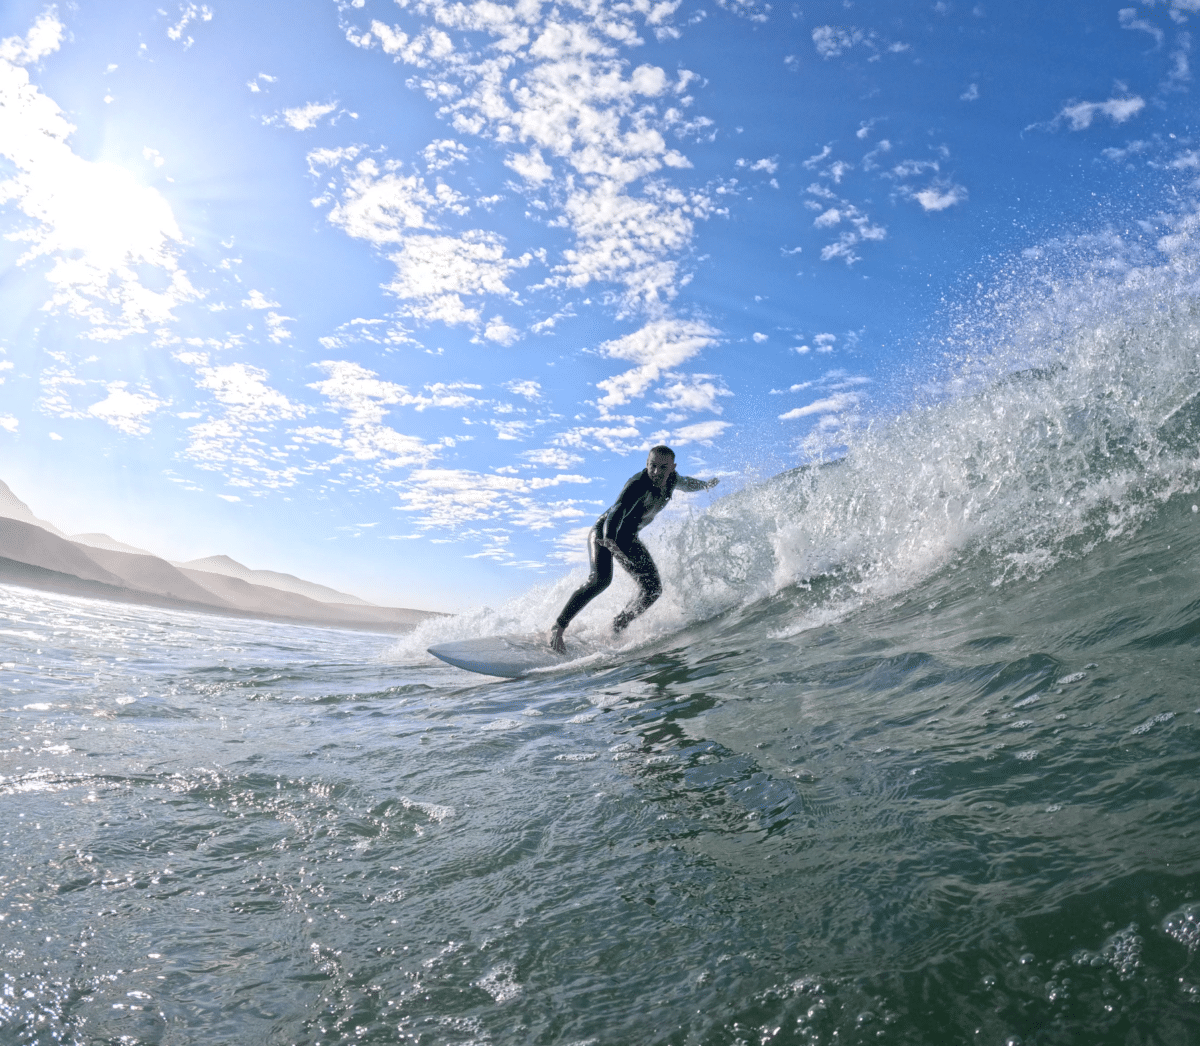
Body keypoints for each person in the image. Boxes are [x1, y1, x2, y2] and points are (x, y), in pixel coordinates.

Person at [549, 445, 718, 652]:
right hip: (605, 532)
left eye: (662, 468)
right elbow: (617, 510)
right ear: (646, 464)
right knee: (601, 580)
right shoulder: (638, 484)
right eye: (652, 466)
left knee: (652, 590)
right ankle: (558, 627)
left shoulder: (673, 480)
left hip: (627, 538)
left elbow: (687, 483)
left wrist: (705, 485)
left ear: (673, 468)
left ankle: (617, 626)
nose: (656, 472)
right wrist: (609, 539)